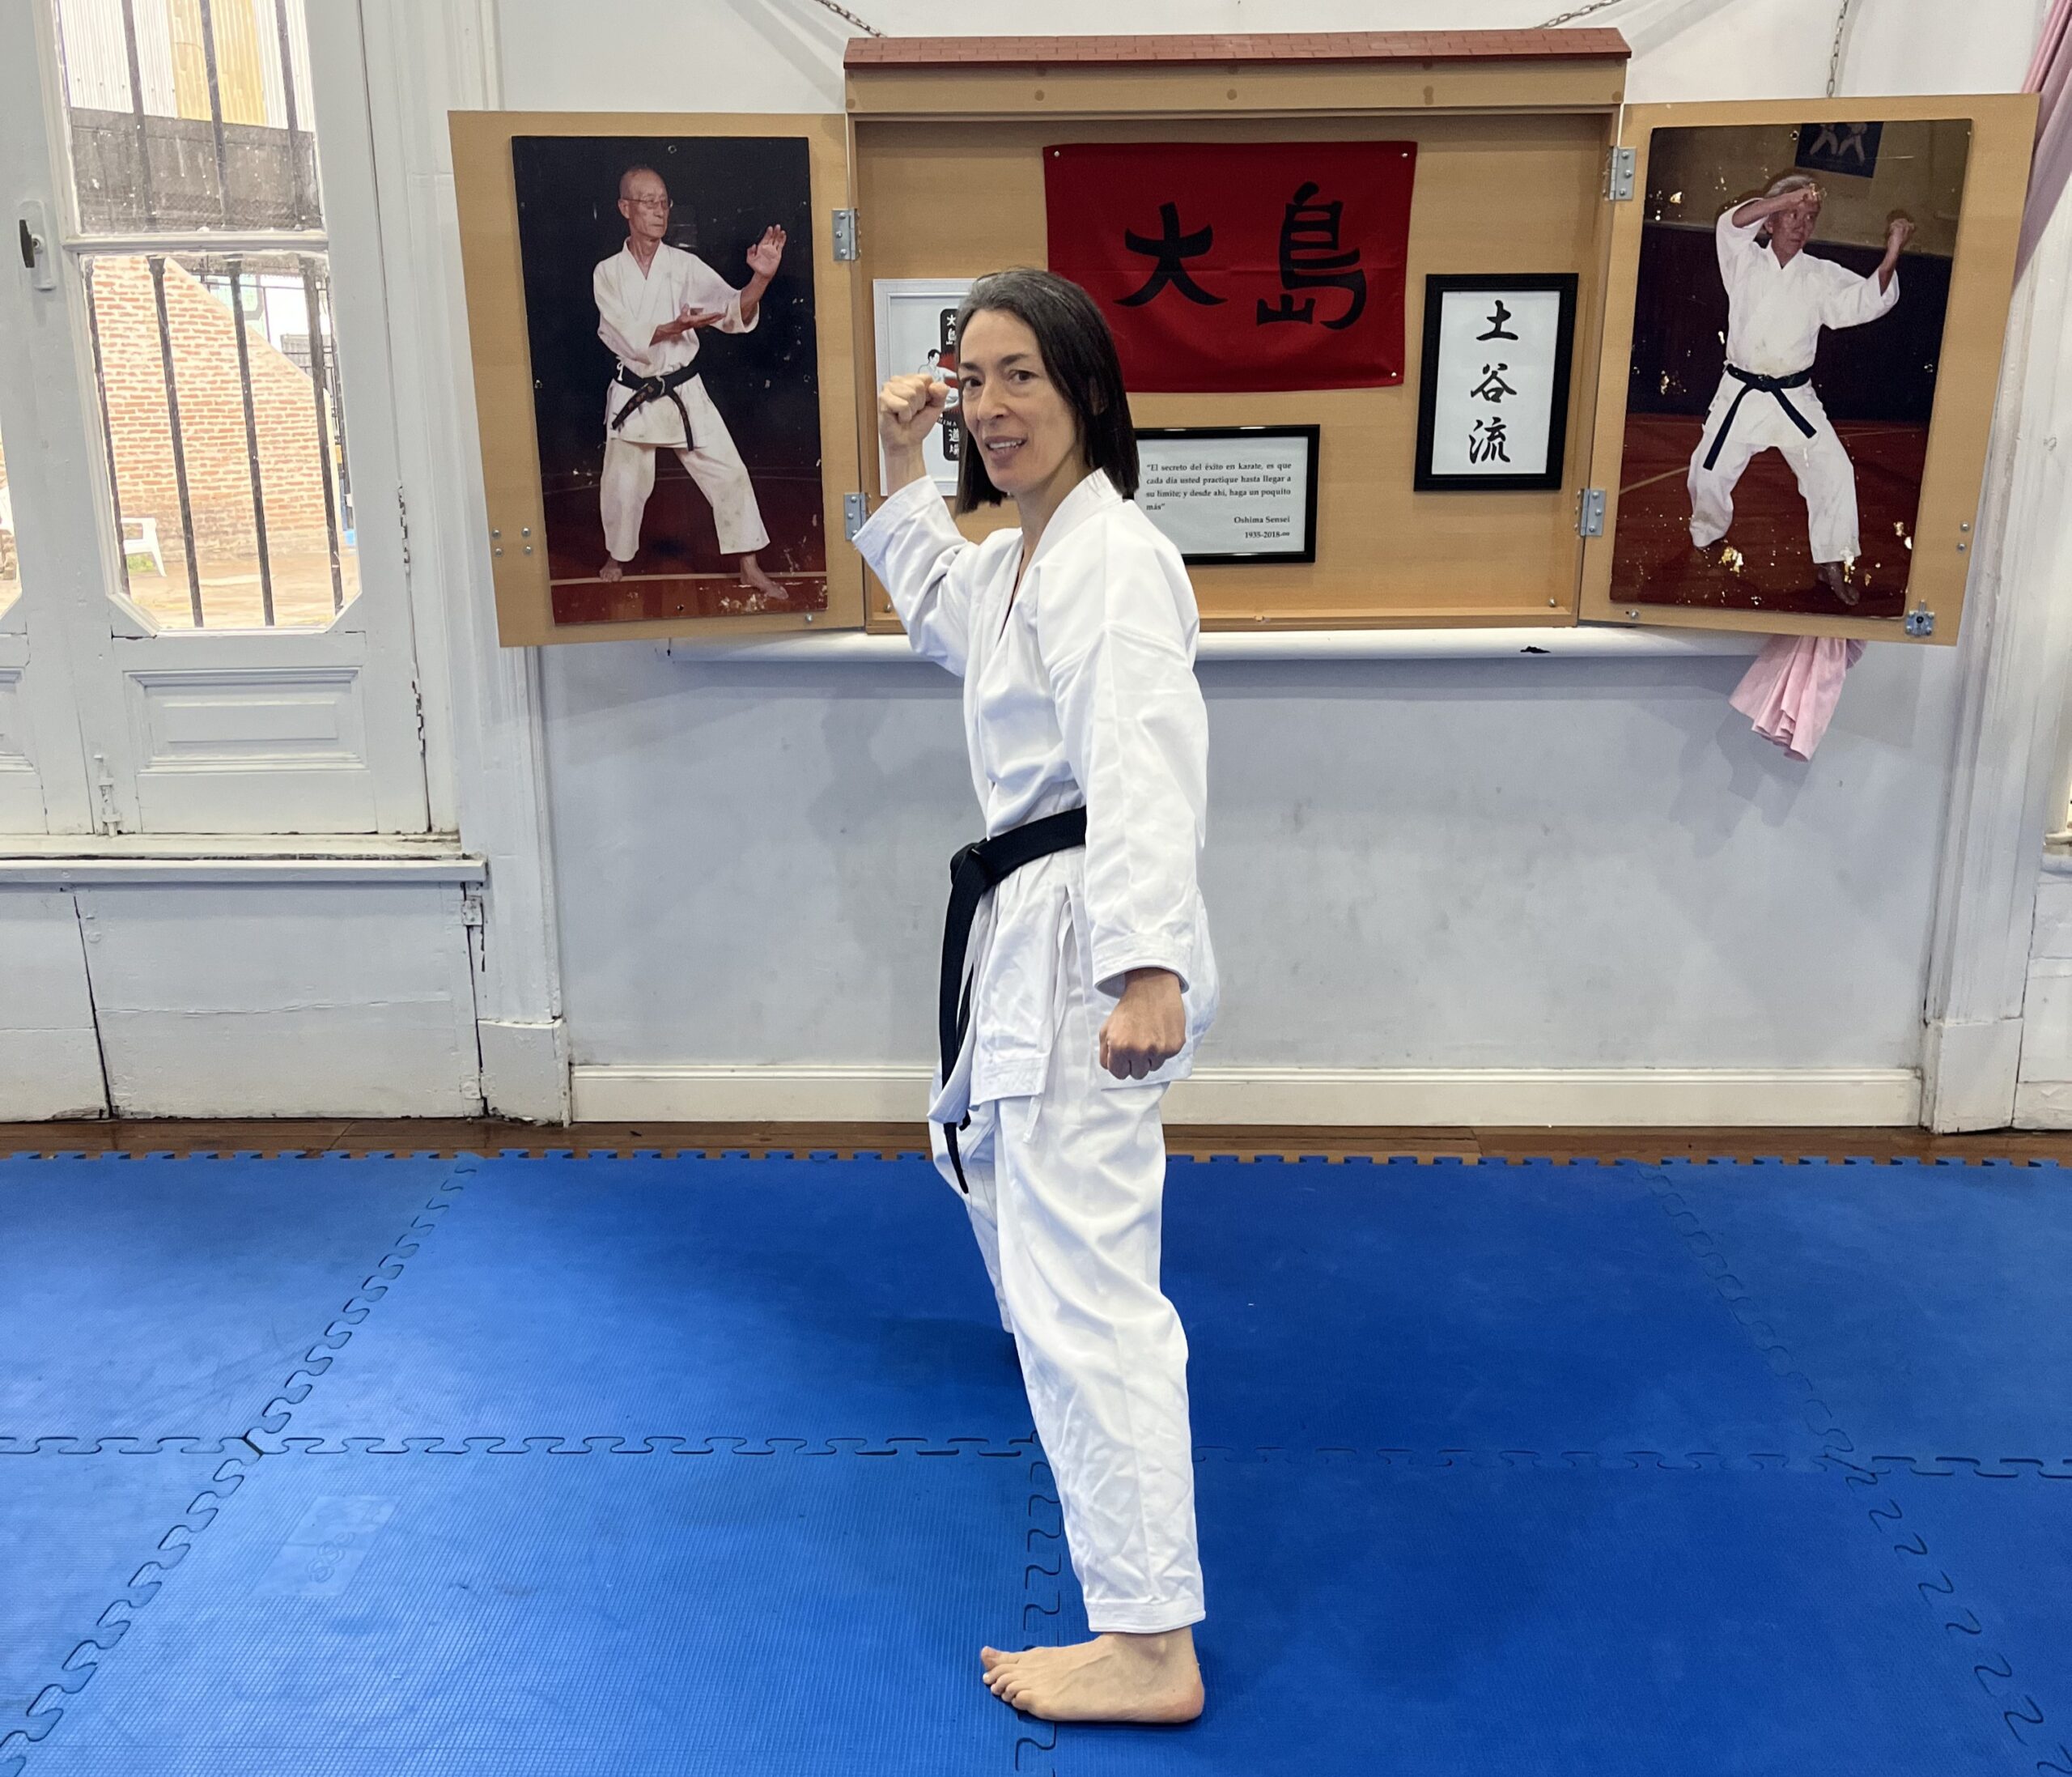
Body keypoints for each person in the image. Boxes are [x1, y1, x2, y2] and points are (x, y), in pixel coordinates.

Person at [851, 267, 1218, 1726]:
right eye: (973, 380)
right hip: (1030, 928)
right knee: (1023, 1231)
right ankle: (1135, 1605)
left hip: (1084, 939)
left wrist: (1149, 965)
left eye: (1024, 377)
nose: (993, 408)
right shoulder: (1029, 556)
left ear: (1090, 394)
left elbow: (1142, 757)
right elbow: (943, 601)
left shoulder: (1113, 558)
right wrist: (899, 461)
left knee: (1091, 1298)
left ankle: (1149, 1643)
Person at [1687, 172, 1913, 605]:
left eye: (1810, 217)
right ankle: (1707, 538)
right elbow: (1731, 224)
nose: (1802, 224)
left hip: (1794, 400)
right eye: (1792, 215)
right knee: (1708, 473)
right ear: (1771, 220)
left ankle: (1832, 562)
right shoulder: (1743, 260)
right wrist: (1785, 199)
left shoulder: (1820, 275)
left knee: (1834, 471)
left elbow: (1866, 300)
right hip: (1741, 397)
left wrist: (1892, 253)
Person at [593, 164, 788, 605]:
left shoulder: (684, 266)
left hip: (683, 390)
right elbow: (623, 331)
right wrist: (672, 327)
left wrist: (761, 279)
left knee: (730, 474)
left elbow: (732, 309)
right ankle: (617, 556)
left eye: (664, 202)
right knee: (623, 485)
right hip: (634, 393)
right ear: (625, 208)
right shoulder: (607, 273)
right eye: (648, 202)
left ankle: (748, 564)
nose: (659, 211)